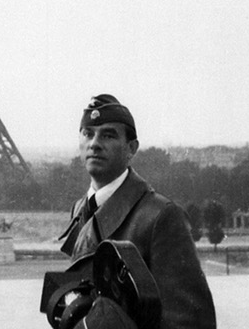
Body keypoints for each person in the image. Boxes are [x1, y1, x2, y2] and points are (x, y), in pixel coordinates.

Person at [58, 94, 216, 329]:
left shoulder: (161, 216)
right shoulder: (81, 209)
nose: (95, 143)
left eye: (108, 135)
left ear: (131, 148)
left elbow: (190, 322)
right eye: (88, 133)